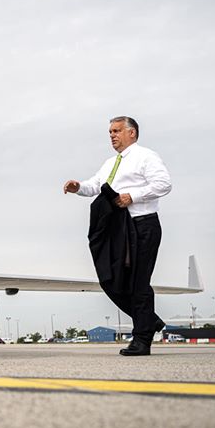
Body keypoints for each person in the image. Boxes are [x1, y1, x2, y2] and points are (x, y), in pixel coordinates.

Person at [64, 116, 171, 356]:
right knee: (110, 279)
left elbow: (164, 184)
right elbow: (96, 185)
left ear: (131, 133)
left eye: (117, 131)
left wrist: (132, 196)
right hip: (118, 229)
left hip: (142, 224)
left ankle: (142, 340)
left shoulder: (146, 156)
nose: (112, 135)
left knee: (138, 282)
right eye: (110, 132)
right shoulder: (111, 162)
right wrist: (78, 187)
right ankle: (150, 321)